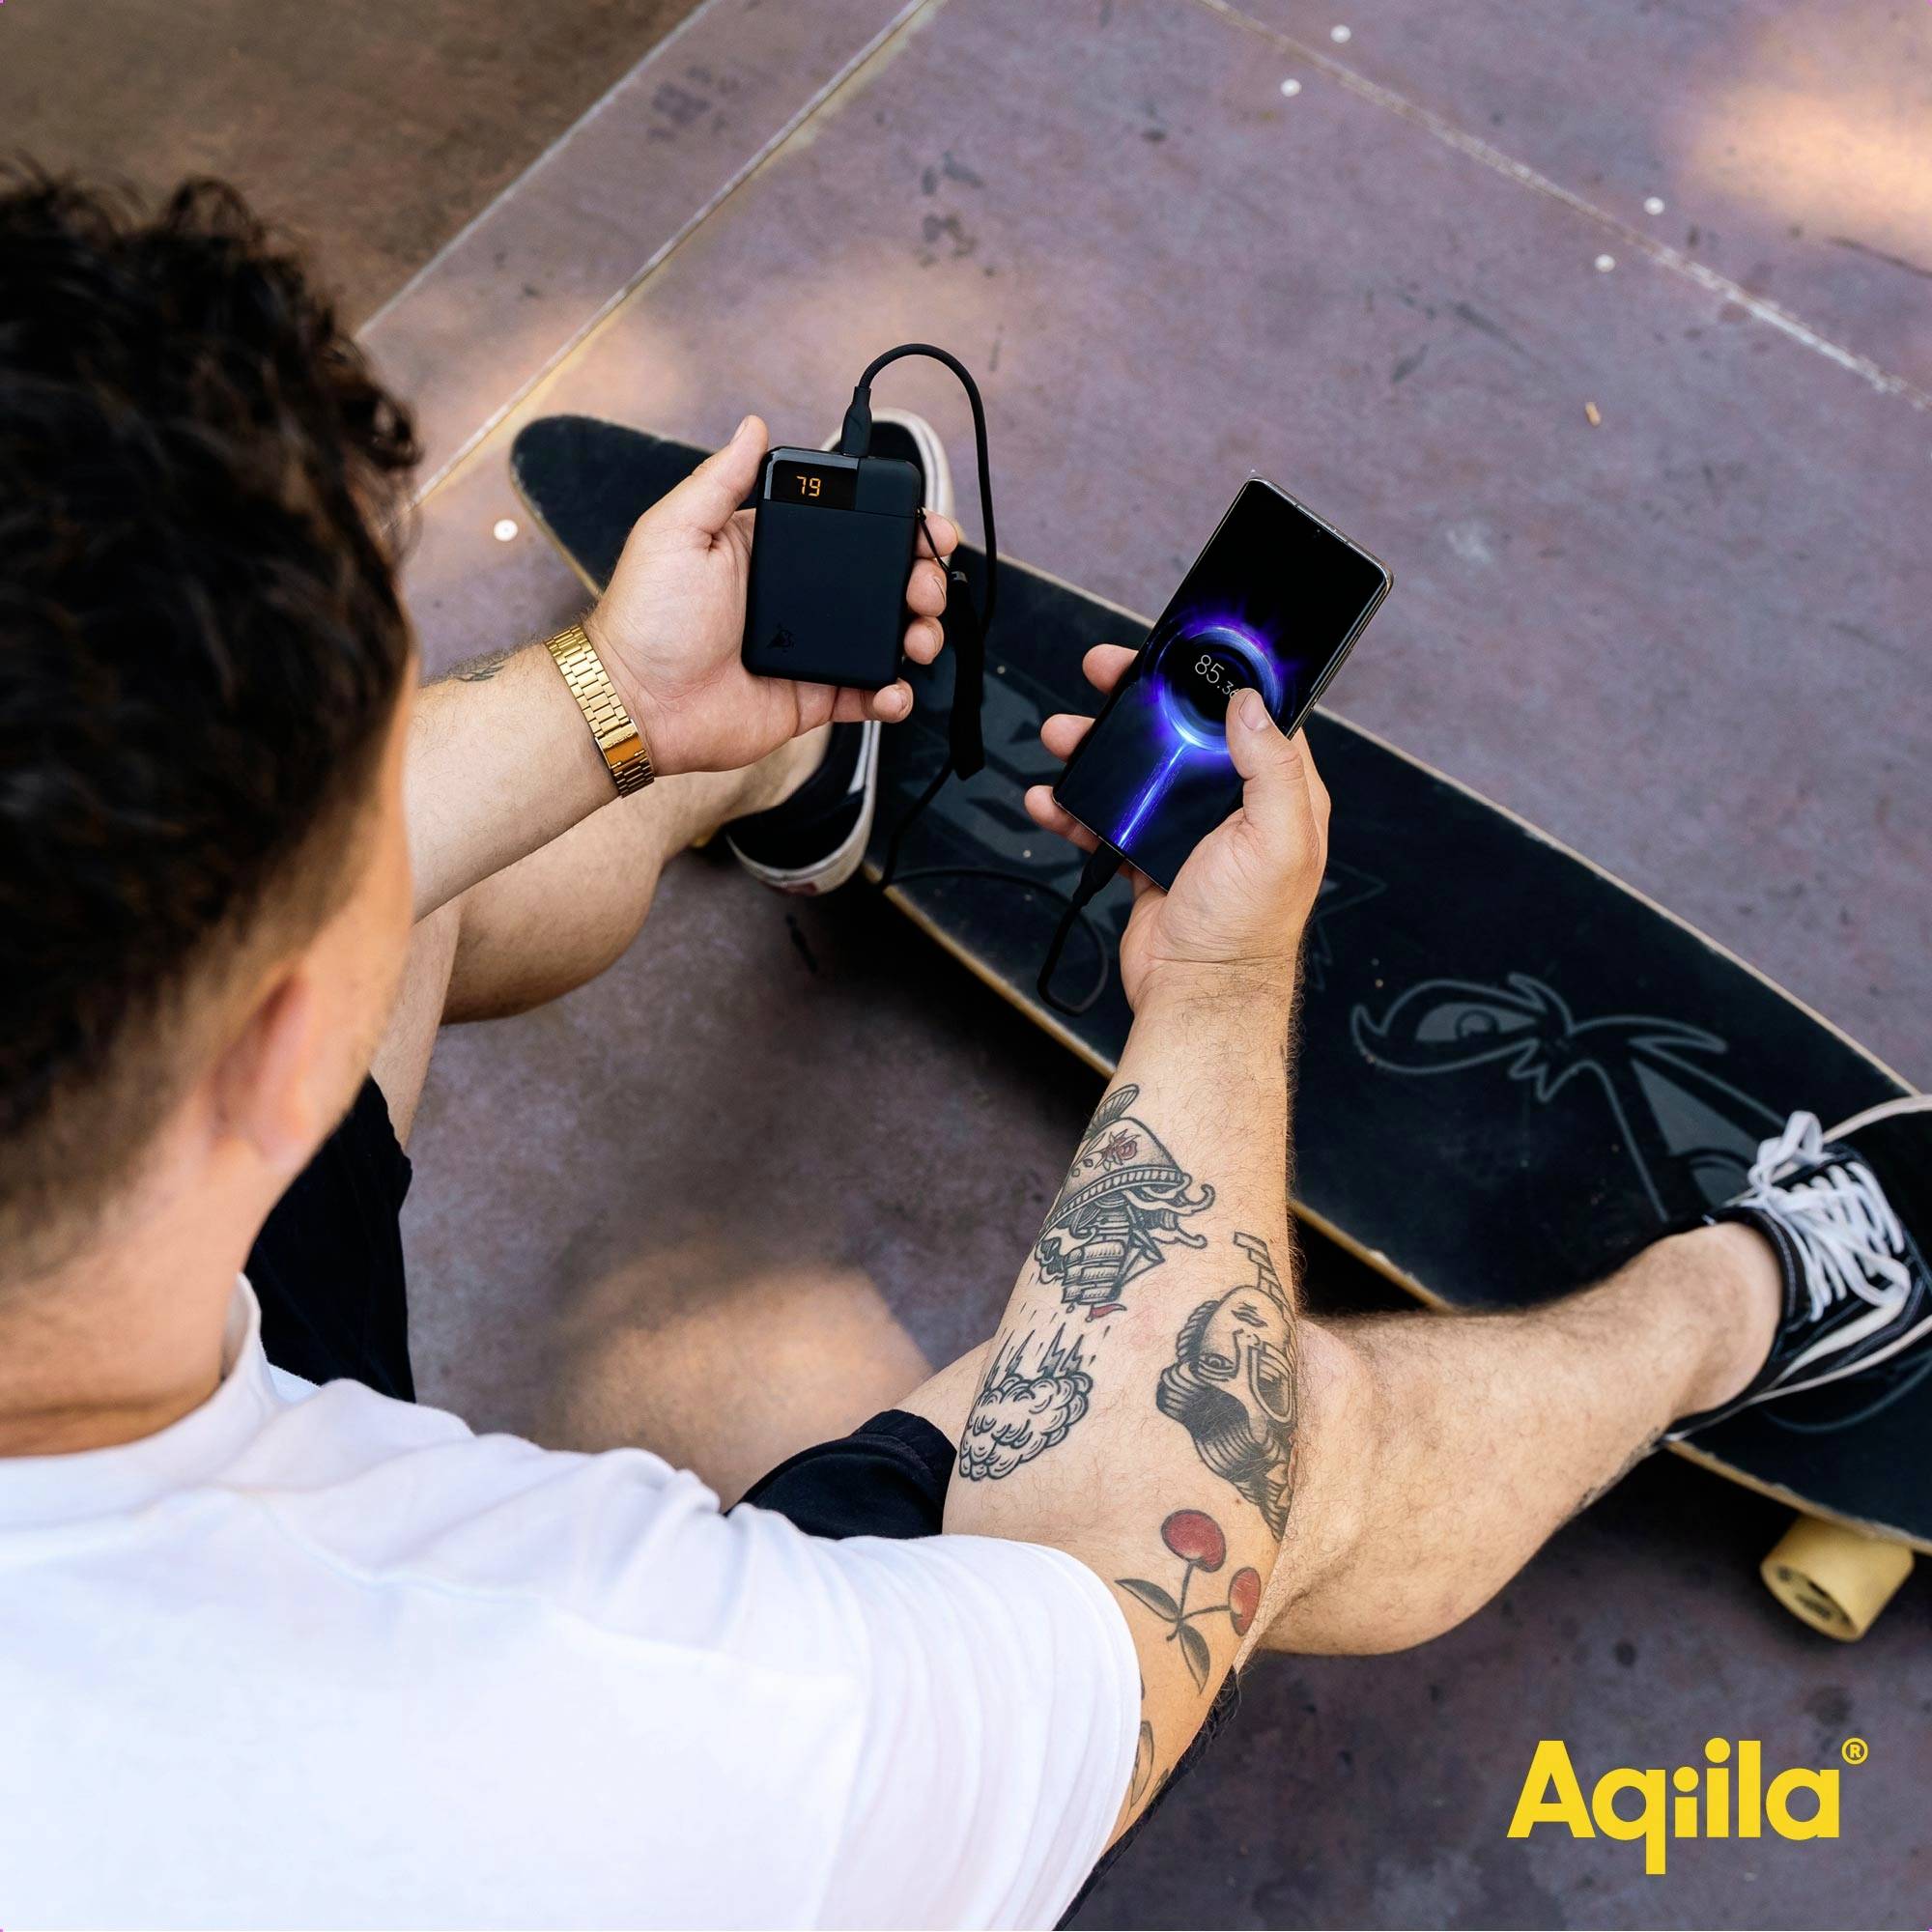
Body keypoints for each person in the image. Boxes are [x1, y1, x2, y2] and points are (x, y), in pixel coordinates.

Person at [1, 172, 1927, 1930]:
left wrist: (619, 697)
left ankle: (764, 749)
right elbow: (1124, 1578)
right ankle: (1759, 1298)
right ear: (278, 1065)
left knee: (385, 872)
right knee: (1247, 1439)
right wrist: (1219, 990)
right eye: (359, 790)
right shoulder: (618, 1740)